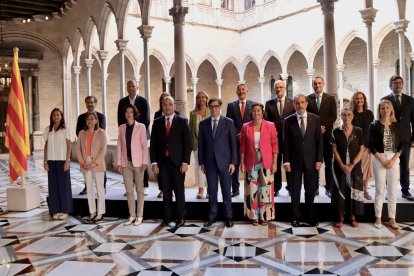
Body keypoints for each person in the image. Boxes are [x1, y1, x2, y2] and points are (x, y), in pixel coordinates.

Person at [150, 96, 191, 227]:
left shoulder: (183, 121)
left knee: (179, 191)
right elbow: (154, 144)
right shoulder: (156, 122)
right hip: (163, 163)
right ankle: (167, 217)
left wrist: (185, 162)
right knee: (166, 191)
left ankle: (181, 217)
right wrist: (154, 162)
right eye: (164, 104)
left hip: (178, 163)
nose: (167, 107)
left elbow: (187, 144)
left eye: (169, 104)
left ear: (174, 106)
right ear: (162, 106)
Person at [283, 94, 323, 227]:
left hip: (312, 162)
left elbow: (319, 141)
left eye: (302, 102)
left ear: (306, 104)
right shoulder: (288, 120)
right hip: (294, 162)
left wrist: (319, 160)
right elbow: (286, 143)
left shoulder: (315, 119)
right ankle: (295, 216)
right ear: (294, 105)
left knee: (310, 190)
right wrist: (286, 161)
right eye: (297, 103)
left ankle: (310, 215)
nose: (300, 105)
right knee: (295, 190)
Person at [199, 97, 237, 228]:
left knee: (227, 191)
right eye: (211, 107)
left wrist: (233, 162)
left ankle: (228, 216)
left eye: (216, 106)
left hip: (225, 163)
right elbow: (201, 145)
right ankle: (212, 216)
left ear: (220, 107)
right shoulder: (203, 124)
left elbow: (233, 144)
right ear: (209, 108)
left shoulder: (229, 123)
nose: (214, 109)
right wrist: (202, 162)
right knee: (212, 191)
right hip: (209, 163)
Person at [240, 103, 278, 226]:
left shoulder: (270, 125)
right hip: (251, 161)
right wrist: (242, 163)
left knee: (265, 189)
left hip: (266, 161)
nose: (256, 113)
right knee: (252, 190)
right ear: (251, 113)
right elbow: (243, 147)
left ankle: (264, 216)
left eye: (259, 111)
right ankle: (254, 216)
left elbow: (275, 145)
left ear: (262, 112)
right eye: (254, 111)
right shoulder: (246, 127)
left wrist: (275, 163)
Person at [369, 100, 402, 230]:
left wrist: (393, 159)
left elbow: (401, 146)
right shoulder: (374, 125)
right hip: (379, 158)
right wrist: (382, 160)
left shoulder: (396, 126)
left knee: (392, 190)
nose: (384, 110)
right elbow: (371, 145)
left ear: (391, 110)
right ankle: (378, 218)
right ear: (379, 110)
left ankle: (392, 218)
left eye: (387, 107)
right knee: (379, 190)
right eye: (382, 108)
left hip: (394, 158)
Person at [382, 75, 414, 201]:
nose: (398, 85)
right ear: (391, 85)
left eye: (400, 83)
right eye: (395, 83)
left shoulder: (410, 100)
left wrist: (413, 138)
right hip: (390, 138)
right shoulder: (385, 100)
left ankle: (405, 191)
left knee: (404, 166)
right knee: (389, 165)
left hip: (406, 138)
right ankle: (389, 191)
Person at [331, 107, 364, 228]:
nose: (347, 117)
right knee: (341, 190)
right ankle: (340, 217)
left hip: (355, 167)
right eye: (344, 115)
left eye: (349, 114)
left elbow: (362, 149)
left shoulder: (359, 131)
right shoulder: (335, 131)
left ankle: (353, 217)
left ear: (352, 116)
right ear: (341, 116)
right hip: (340, 166)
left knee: (354, 189)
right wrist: (342, 165)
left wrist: (352, 164)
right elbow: (334, 150)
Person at [117, 105, 148, 226]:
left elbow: (144, 146)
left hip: (138, 163)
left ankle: (139, 215)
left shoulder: (141, 127)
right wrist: (119, 163)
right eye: (127, 112)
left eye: (131, 112)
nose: (129, 114)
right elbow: (119, 146)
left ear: (134, 114)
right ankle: (132, 215)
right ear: (125, 114)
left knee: (140, 190)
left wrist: (145, 162)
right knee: (129, 191)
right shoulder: (121, 128)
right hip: (126, 163)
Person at [117, 80, 150, 195]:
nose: (131, 88)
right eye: (129, 86)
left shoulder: (143, 101)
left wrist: (139, 131)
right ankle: (130, 187)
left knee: (141, 160)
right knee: (128, 161)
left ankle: (144, 185)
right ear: (127, 88)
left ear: (137, 87)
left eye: (133, 86)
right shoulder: (122, 102)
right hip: (127, 133)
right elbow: (120, 118)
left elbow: (147, 119)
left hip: (140, 133)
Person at [306, 76, 337, 197]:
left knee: (328, 163)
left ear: (323, 84)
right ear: (312, 85)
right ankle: (314, 188)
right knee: (314, 163)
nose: (317, 85)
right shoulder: (308, 99)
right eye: (315, 83)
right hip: (313, 137)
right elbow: (307, 115)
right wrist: (316, 127)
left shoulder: (330, 99)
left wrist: (323, 126)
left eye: (319, 83)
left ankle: (329, 188)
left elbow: (333, 115)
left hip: (327, 135)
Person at [264, 80, 295, 196]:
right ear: (274, 89)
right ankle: (276, 187)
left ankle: (291, 187)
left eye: (281, 87)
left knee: (288, 163)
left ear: (285, 88)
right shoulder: (269, 104)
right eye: (277, 87)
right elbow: (266, 121)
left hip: (288, 140)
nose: (279, 89)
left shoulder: (292, 103)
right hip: (274, 139)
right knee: (275, 162)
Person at [76, 112, 107, 222]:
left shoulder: (101, 133)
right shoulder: (81, 133)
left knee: (100, 190)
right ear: (86, 121)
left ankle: (100, 212)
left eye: (92, 119)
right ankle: (92, 212)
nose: (90, 121)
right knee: (89, 189)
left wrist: (94, 163)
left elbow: (103, 150)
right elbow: (78, 150)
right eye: (88, 119)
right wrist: (82, 162)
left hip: (97, 164)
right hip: (85, 163)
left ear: (96, 120)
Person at [226, 83, 255, 197]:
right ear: (236, 92)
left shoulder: (253, 105)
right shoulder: (231, 105)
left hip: (249, 141)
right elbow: (229, 122)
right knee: (235, 163)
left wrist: (245, 134)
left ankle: (251, 187)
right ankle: (235, 189)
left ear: (247, 91)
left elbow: (254, 121)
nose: (241, 91)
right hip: (235, 140)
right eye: (239, 90)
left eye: (243, 89)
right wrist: (238, 133)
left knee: (250, 164)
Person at [43, 108, 73, 220]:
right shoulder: (48, 129)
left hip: (62, 161)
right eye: (54, 115)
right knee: (53, 186)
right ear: (51, 117)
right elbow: (46, 146)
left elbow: (69, 145)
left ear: (61, 116)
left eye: (58, 115)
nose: (56, 116)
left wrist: (67, 161)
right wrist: (45, 161)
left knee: (64, 186)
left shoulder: (66, 129)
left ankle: (65, 210)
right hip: (51, 161)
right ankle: (55, 210)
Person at [76, 96, 107, 196]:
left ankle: (103, 187)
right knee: (86, 172)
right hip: (86, 148)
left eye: (92, 102)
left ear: (95, 103)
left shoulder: (101, 116)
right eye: (88, 102)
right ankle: (87, 187)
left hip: (97, 149)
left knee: (100, 168)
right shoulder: (81, 117)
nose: (90, 104)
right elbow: (78, 132)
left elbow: (101, 131)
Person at [153, 92, 180, 198]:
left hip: (174, 152)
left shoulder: (177, 114)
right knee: (161, 174)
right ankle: (163, 189)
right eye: (164, 101)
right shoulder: (157, 114)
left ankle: (171, 190)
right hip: (162, 151)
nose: (167, 105)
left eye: (169, 102)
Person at [351, 91, 374, 200]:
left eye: (361, 98)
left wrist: (370, 146)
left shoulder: (369, 113)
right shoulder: (351, 113)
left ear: (364, 100)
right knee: (356, 170)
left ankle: (365, 190)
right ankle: (356, 192)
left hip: (367, 146)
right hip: (355, 147)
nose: (359, 100)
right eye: (357, 98)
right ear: (354, 100)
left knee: (366, 170)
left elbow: (371, 130)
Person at [189, 90, 210, 199]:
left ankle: (210, 189)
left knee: (209, 167)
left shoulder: (210, 111)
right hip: (197, 144)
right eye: (198, 97)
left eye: (203, 97)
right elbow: (190, 129)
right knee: (199, 167)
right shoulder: (192, 113)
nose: (201, 99)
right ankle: (201, 189)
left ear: (206, 99)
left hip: (209, 144)